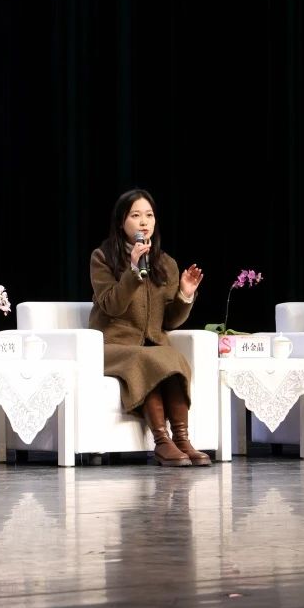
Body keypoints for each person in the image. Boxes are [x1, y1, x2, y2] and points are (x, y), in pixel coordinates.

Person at [88, 188, 207, 467]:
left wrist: (185, 294)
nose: (144, 222)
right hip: (111, 346)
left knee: (170, 356)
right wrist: (132, 270)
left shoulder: (166, 263)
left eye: (149, 215)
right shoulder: (102, 257)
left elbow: (170, 321)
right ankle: (162, 441)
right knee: (146, 358)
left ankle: (182, 440)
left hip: (150, 344)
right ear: (121, 222)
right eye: (135, 215)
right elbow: (111, 305)